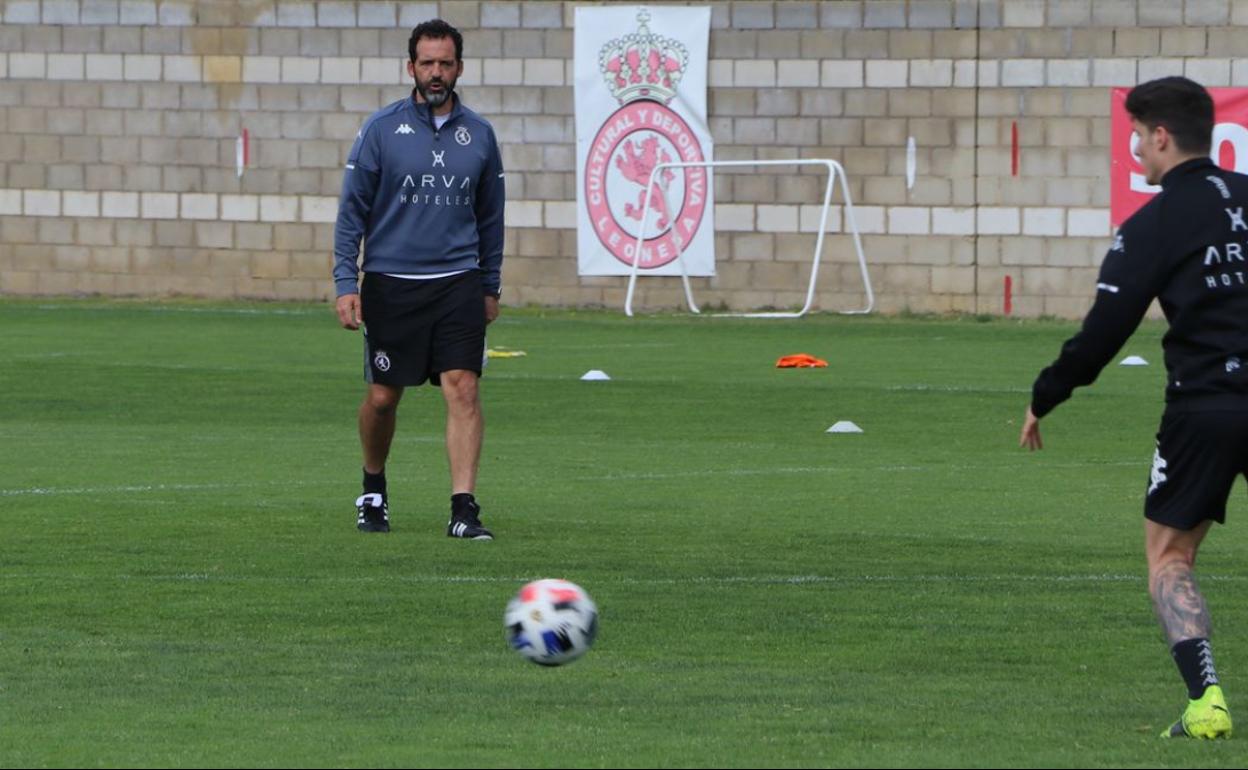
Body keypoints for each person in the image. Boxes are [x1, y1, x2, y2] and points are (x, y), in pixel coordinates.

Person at [1021, 77, 1242, 739]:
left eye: (1139, 137)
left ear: (1163, 137)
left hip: (1206, 407)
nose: (1136, 149)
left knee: (1170, 557)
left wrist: (1046, 394)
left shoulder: (1152, 223)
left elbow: (1104, 332)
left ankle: (1206, 702)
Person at [332, 19, 504, 539]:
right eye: (427, 63)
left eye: (445, 63)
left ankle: (463, 508)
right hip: (391, 282)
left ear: (459, 68)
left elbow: (491, 215)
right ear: (411, 68)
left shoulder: (480, 134)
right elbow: (351, 213)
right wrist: (346, 282)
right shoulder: (381, 129)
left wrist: (489, 284)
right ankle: (373, 485)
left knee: (463, 389)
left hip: (458, 282)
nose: (436, 73)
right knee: (384, 398)